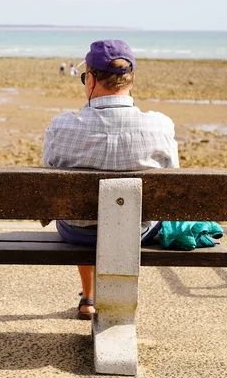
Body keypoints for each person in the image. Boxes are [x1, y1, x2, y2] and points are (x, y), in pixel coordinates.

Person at [42, 40, 179, 320]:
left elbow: (48, 180)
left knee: (81, 213)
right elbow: (173, 183)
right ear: (131, 79)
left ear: (91, 79)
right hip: (137, 232)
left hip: (76, 233)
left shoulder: (61, 126)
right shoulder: (160, 125)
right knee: (124, 217)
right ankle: (118, 304)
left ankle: (89, 296)